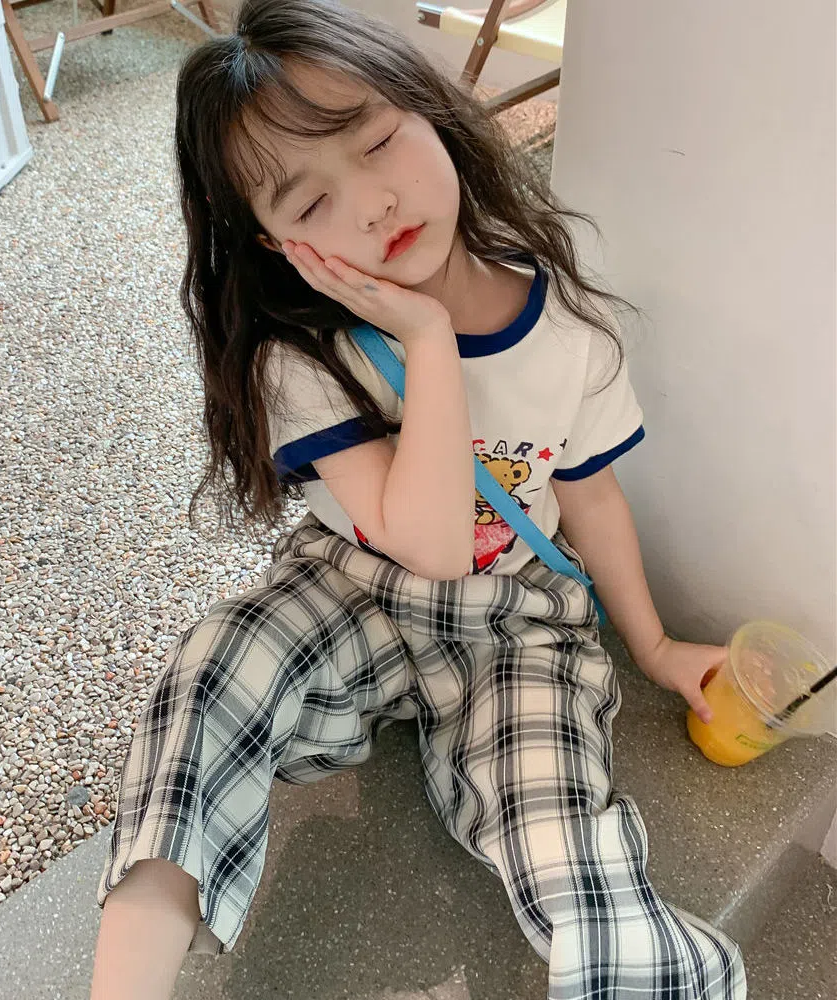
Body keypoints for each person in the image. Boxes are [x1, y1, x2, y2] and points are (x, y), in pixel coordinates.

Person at [89, 1, 746, 997]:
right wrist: (428, 342)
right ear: (274, 243)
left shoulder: (568, 333)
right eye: (309, 202)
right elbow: (425, 547)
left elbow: (592, 497)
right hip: (353, 590)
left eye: (376, 141)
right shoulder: (302, 355)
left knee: (558, 827)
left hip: (514, 621)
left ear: (431, 109)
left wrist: (652, 648)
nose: (370, 205)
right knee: (211, 674)